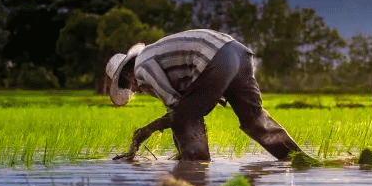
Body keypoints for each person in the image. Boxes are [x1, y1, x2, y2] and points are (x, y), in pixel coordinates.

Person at [105, 28, 304, 162]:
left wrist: (144, 133)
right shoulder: (156, 56)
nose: (131, 89)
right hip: (238, 53)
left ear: (127, 72)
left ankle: (195, 169)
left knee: (185, 117)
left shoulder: (142, 66)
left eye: (125, 83)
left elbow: (179, 112)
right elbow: (184, 106)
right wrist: (179, 150)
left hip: (216, 58)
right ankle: (299, 160)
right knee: (254, 119)